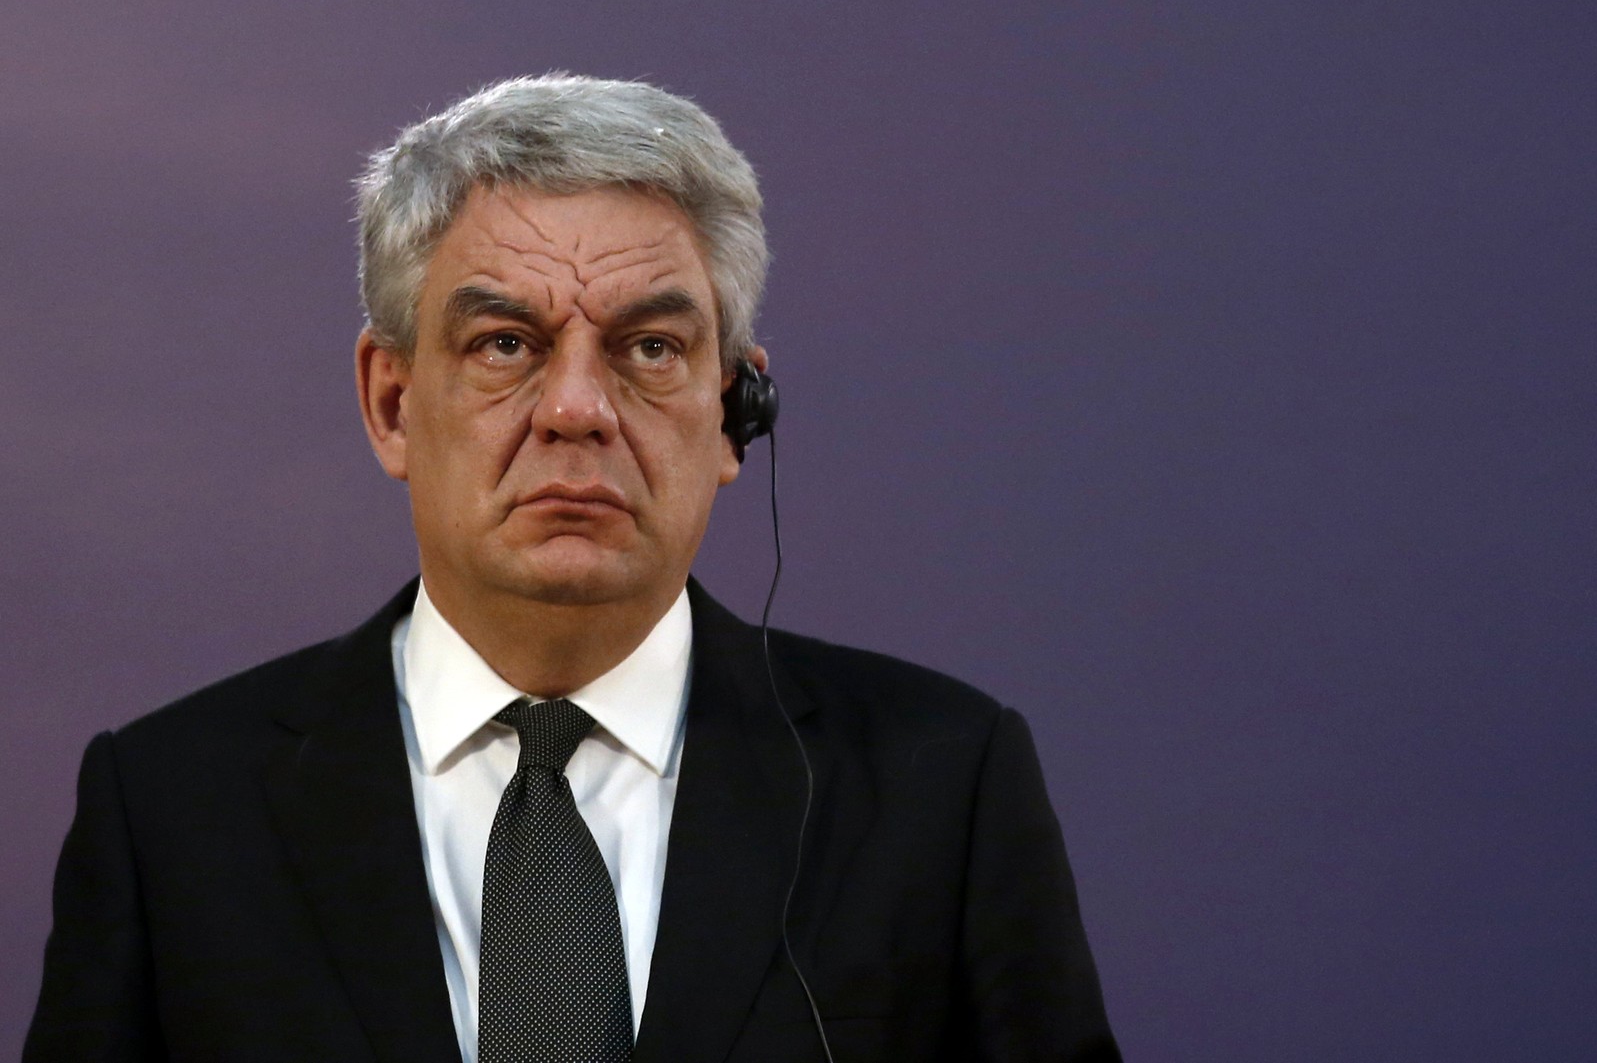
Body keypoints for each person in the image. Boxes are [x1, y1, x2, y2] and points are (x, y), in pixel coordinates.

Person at [25, 74, 1119, 1062]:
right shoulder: (172, 809)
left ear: (735, 414)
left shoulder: (941, 784)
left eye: (651, 348)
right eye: (506, 343)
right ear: (392, 403)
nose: (579, 409)